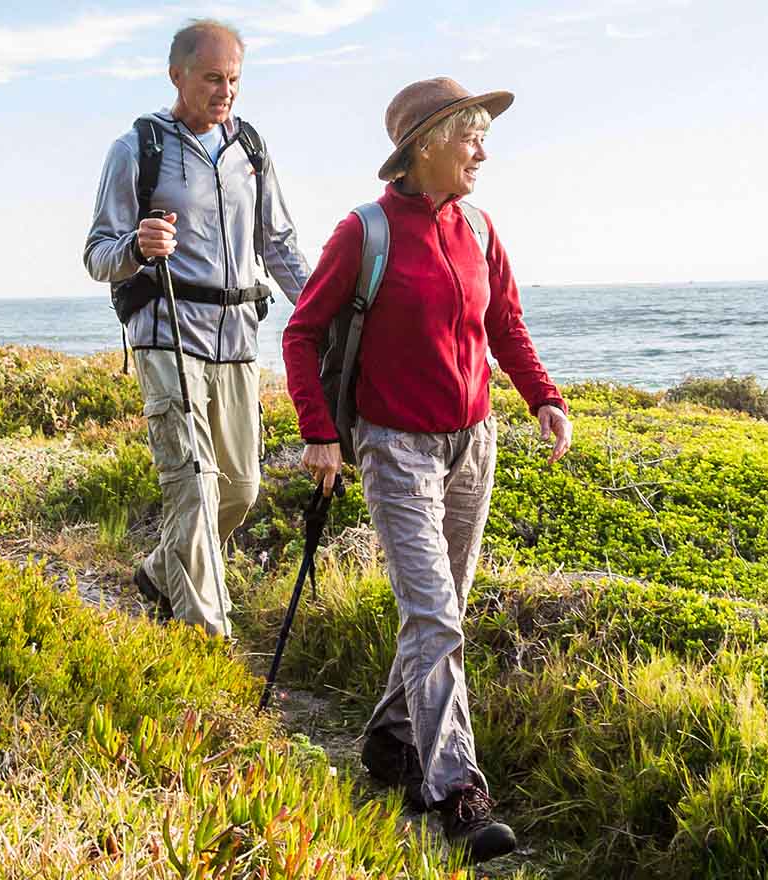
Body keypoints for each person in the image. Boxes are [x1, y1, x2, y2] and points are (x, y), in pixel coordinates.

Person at [279, 76, 573, 864]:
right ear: (425, 145)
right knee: (436, 617)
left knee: (437, 613)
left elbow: (504, 323)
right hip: (394, 447)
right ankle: (457, 794)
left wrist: (543, 397)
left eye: (483, 136)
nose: (483, 150)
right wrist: (320, 433)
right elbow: (302, 334)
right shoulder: (365, 232)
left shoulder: (479, 228)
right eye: (470, 136)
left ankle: (387, 739)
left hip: (474, 441)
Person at [83, 19, 309, 640]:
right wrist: (136, 244)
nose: (226, 91)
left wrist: (320, 314)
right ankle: (208, 638)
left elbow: (281, 244)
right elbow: (97, 253)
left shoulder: (252, 150)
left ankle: (160, 571)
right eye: (213, 77)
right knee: (195, 488)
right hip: (167, 333)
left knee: (240, 488)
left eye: (234, 79)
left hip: (238, 338)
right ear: (177, 74)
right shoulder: (138, 147)